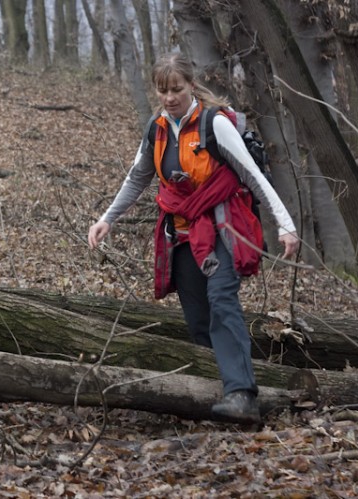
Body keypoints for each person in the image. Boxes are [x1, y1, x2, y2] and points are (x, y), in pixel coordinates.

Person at [87, 53, 300, 425]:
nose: (169, 97)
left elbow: (252, 175)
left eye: (176, 89)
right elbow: (137, 178)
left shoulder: (214, 124)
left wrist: (285, 224)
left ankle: (241, 395)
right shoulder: (156, 128)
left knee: (222, 301)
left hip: (221, 229)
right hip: (181, 235)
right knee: (197, 317)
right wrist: (107, 218)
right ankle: (212, 394)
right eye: (162, 90)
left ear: (191, 86)